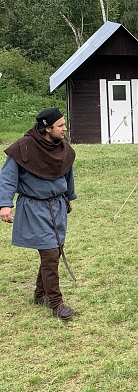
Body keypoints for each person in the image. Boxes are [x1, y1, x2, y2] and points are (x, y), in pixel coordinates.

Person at [0, 108, 77, 319]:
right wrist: (5, 204)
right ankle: (56, 303)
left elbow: (67, 173)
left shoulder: (63, 148)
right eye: (60, 125)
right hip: (34, 207)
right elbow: (7, 178)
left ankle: (40, 293)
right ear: (47, 128)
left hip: (57, 205)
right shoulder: (23, 148)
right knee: (50, 253)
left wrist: (69, 196)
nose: (64, 128)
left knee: (55, 250)